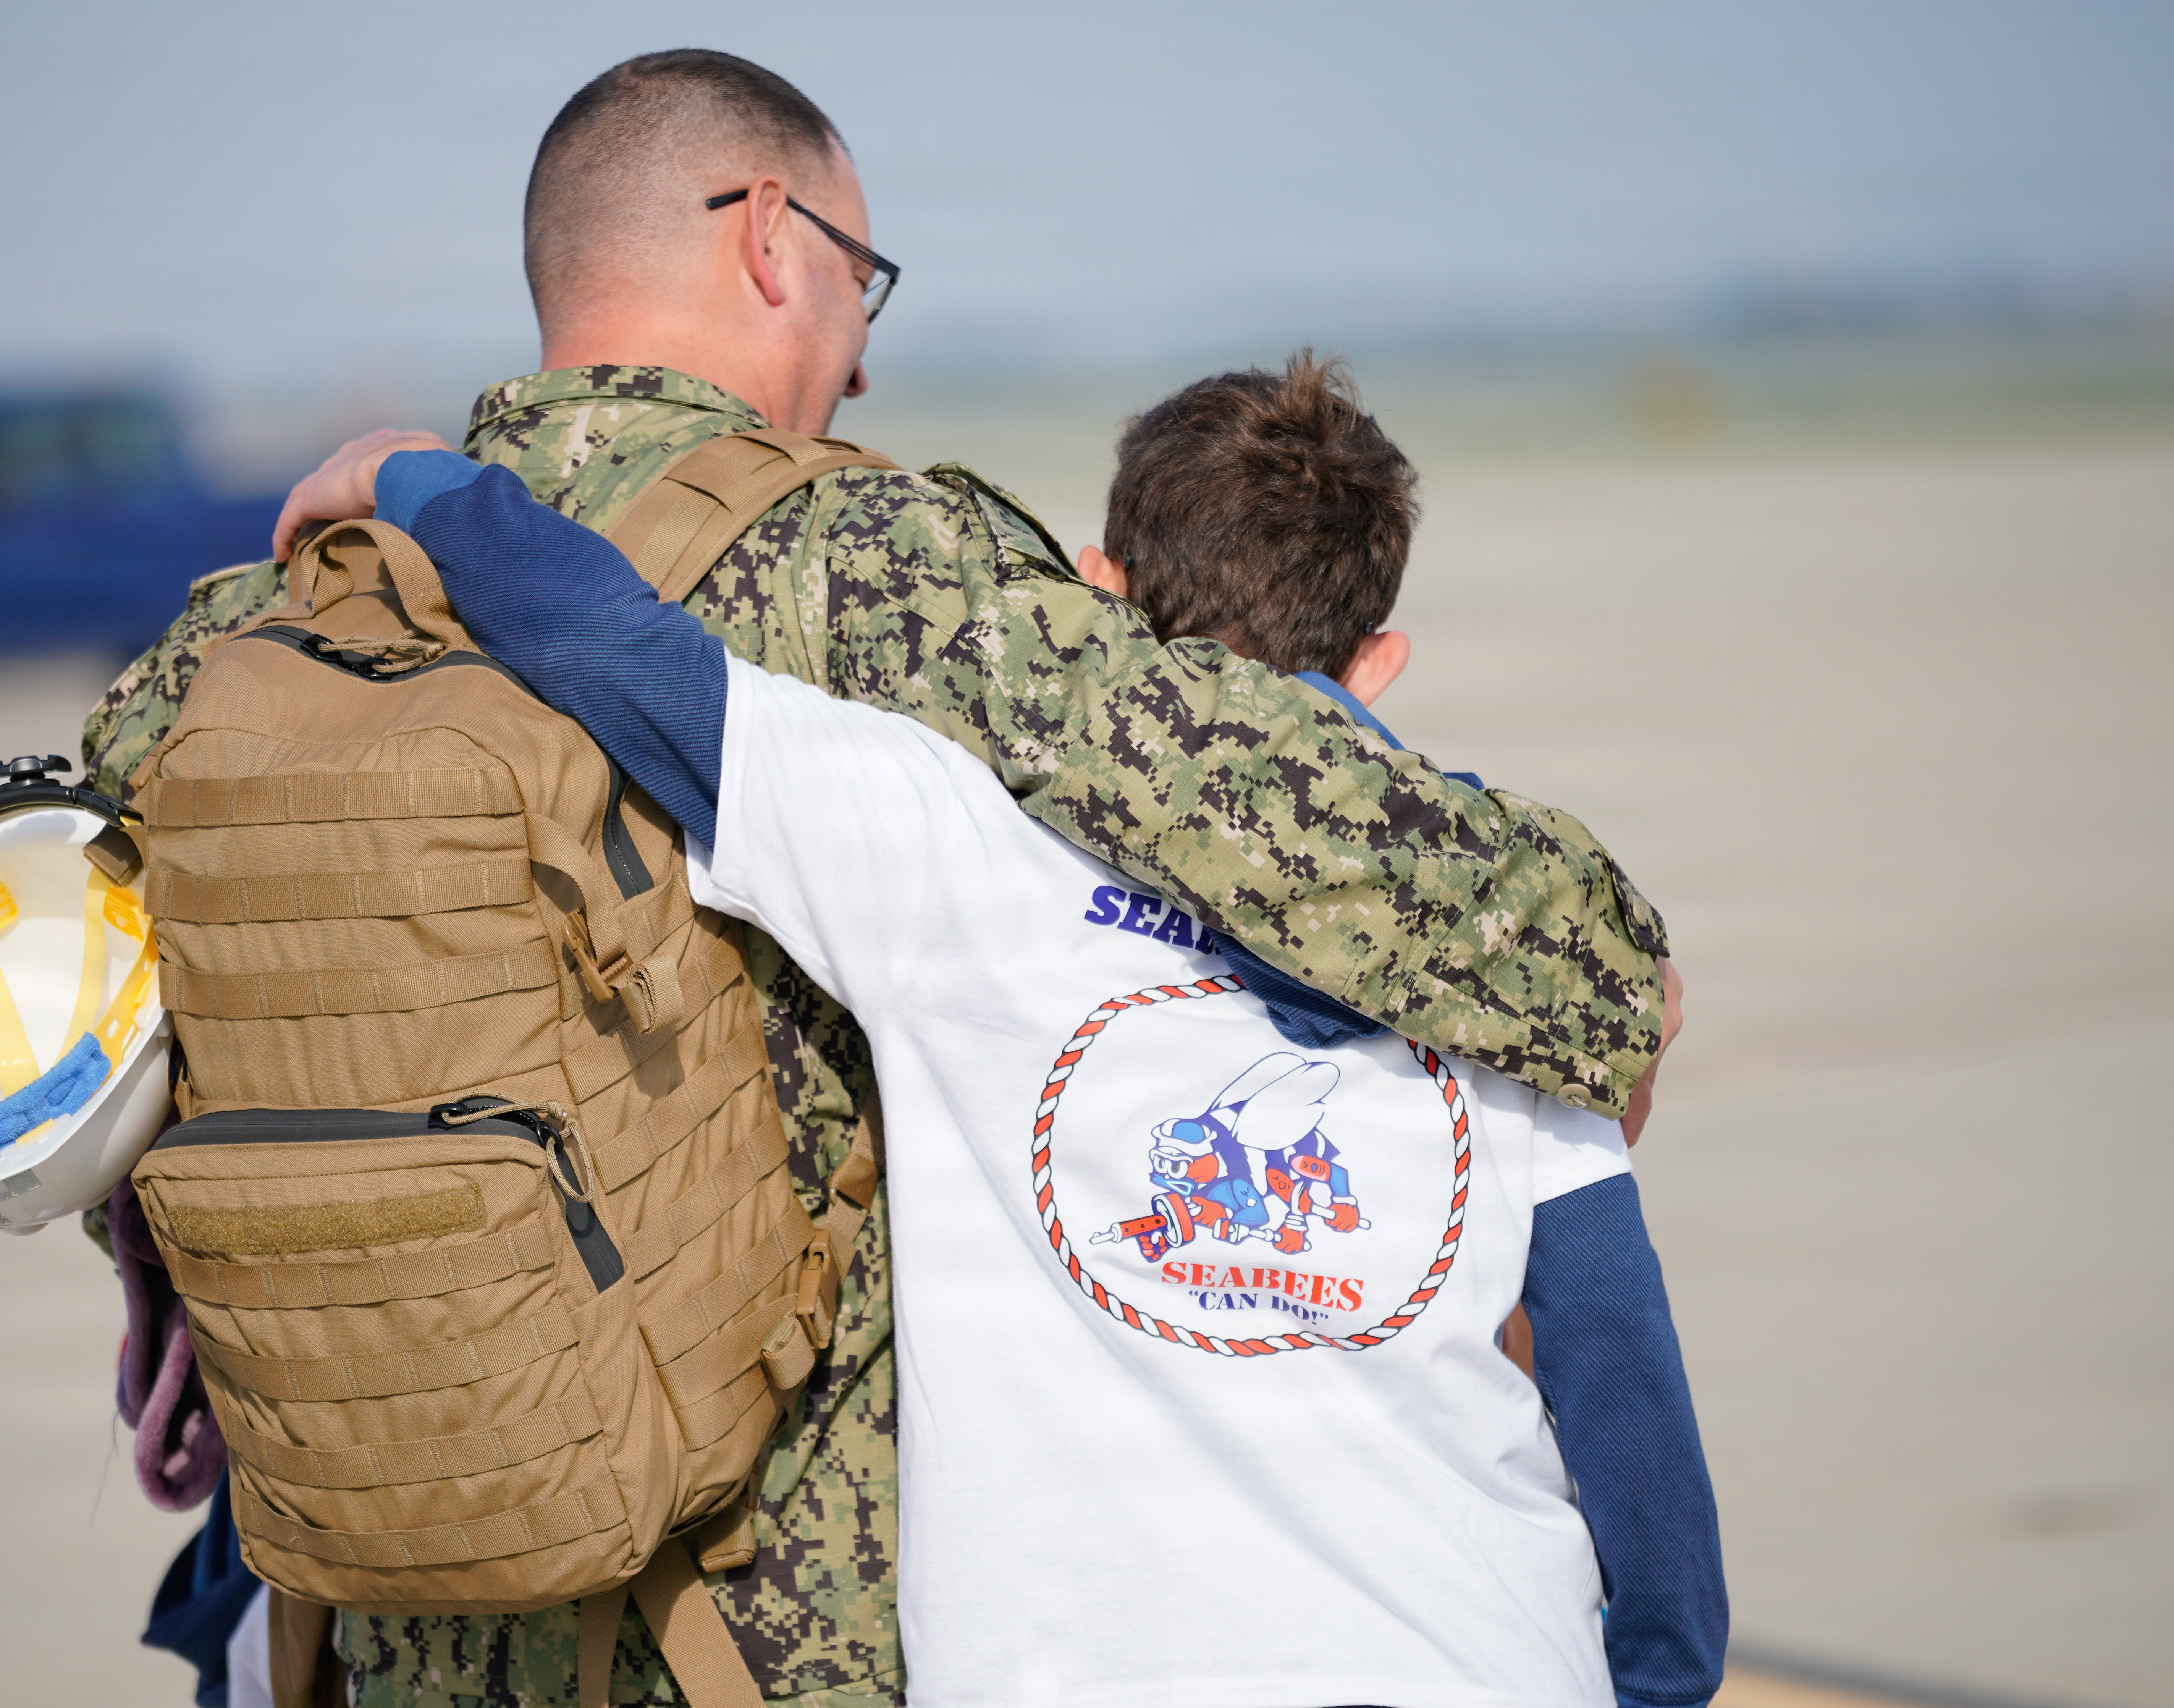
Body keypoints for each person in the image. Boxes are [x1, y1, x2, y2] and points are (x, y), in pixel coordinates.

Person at [86, 50, 1678, 1708]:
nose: (859, 361)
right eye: (864, 279)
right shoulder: (871, 573)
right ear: (769, 236)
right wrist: (1597, 965)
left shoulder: (255, 620)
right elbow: (1269, 808)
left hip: (370, 1618)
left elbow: (55, 1056)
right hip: (754, 1628)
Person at [287, 349, 1723, 1706]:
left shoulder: (955, 852)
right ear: (1384, 655)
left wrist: (419, 478)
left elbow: (617, 652)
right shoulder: (1505, 933)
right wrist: (1661, 1675)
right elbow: (1621, 1381)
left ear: (1095, 589)